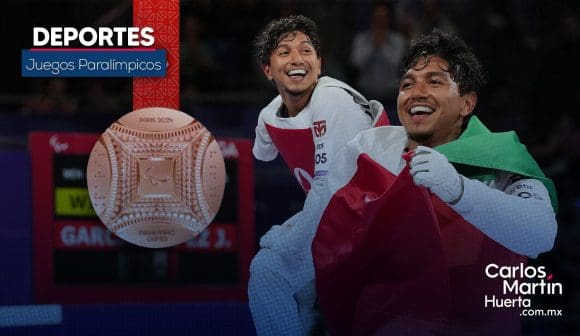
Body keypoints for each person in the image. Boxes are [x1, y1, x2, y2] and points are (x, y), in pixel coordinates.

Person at [311, 30, 558, 335]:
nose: (416, 92)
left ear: (466, 103)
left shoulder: (502, 156)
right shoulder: (367, 149)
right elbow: (325, 229)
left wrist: (458, 190)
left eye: (434, 81)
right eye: (407, 83)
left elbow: (540, 234)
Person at [248, 15, 388, 335]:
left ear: (320, 64)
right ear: (268, 70)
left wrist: (286, 240)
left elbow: (329, 190)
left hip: (376, 221)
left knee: (272, 269)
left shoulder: (332, 99)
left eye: (306, 50)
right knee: (285, 285)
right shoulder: (269, 115)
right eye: (284, 52)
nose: (297, 59)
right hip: (342, 222)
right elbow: (262, 150)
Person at [350, 1, 406, 123]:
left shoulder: (398, 40)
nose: (380, 20)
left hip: (391, 96)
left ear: (389, 19)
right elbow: (357, 63)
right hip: (366, 95)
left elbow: (396, 64)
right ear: (371, 19)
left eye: (383, 17)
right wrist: (373, 45)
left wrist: (383, 45)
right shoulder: (360, 39)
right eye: (377, 17)